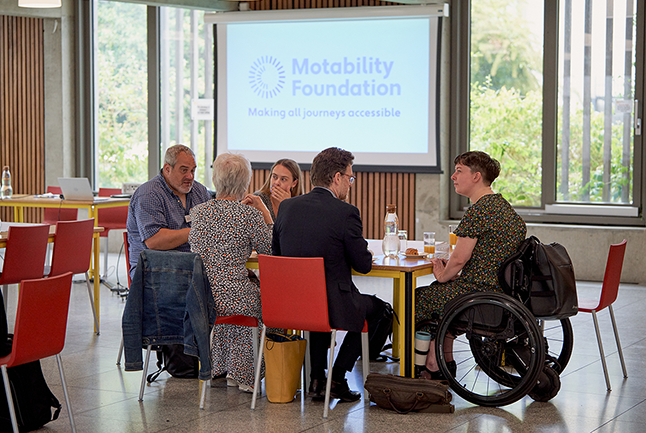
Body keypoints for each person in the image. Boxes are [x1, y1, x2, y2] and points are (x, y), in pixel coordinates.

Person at [272, 147, 389, 403]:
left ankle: (316, 379)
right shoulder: (345, 212)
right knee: (381, 309)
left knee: (318, 304)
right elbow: (364, 264)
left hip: (293, 306)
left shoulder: (287, 208)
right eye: (350, 177)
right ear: (337, 178)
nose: (350, 183)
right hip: (335, 307)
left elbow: (278, 255)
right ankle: (337, 378)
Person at [414, 151, 526, 379]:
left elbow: (459, 258)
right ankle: (441, 362)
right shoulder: (506, 210)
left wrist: (443, 275)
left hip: (477, 293)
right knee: (438, 296)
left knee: (418, 299)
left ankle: (430, 365)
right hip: (499, 290)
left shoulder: (480, 210)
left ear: (476, 176)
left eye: (459, 171)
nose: (453, 176)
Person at [189, 153, 273, 393]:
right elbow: (271, 252)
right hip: (236, 296)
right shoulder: (250, 215)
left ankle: (222, 368)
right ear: (245, 183)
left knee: (240, 295)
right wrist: (265, 213)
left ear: (216, 179)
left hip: (203, 297)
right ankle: (246, 375)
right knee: (265, 303)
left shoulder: (198, 212)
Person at [126, 144, 211, 278]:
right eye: (184, 170)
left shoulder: (200, 191)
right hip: (154, 270)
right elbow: (154, 241)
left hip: (193, 265)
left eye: (193, 171)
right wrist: (196, 231)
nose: (190, 176)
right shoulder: (149, 194)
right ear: (167, 169)